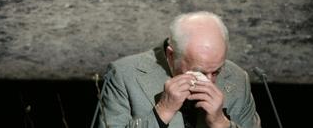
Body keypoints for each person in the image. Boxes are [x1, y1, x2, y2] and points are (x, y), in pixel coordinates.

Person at [98, 11, 261, 128]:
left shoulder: (238, 78)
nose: (210, 81)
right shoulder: (125, 74)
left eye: (217, 71)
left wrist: (220, 123)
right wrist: (162, 111)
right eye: (201, 72)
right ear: (171, 55)